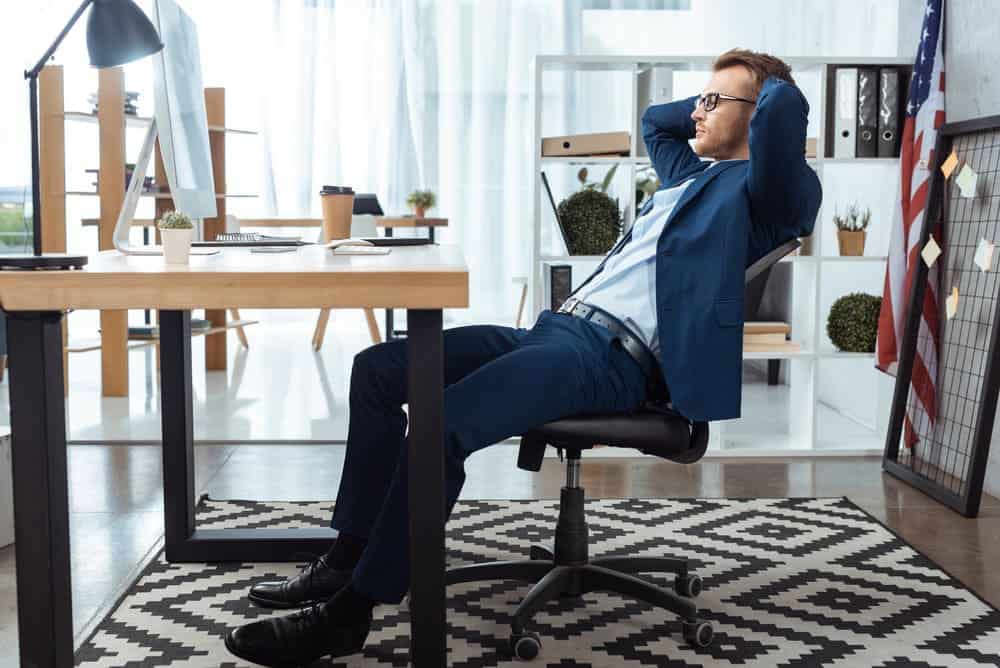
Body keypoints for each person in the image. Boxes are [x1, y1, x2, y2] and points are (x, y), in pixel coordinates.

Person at [224, 47, 822, 666]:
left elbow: (781, 114)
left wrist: (760, 89)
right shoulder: (689, 176)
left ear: (757, 117)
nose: (696, 111)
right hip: (554, 329)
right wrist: (714, 102)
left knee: (444, 420)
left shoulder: (767, 196)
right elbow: (654, 120)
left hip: (612, 358)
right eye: (700, 98)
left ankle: (350, 614)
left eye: (714, 100)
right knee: (377, 370)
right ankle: (347, 556)